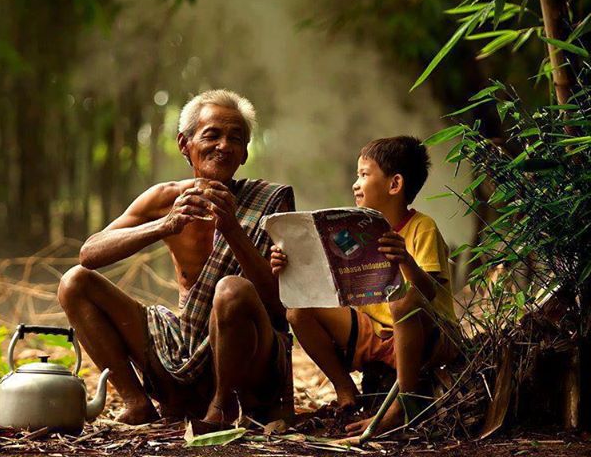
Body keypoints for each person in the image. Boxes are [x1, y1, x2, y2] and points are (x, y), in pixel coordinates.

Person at [58, 89, 295, 429]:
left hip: (250, 357)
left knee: (231, 290)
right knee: (74, 282)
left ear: (244, 153)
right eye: (212, 134)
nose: (224, 146)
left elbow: (280, 304)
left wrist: (232, 229)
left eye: (235, 138)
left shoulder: (270, 203)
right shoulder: (165, 198)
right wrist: (165, 225)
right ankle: (136, 402)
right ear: (185, 145)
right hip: (182, 344)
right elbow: (89, 254)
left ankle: (222, 406)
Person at [270, 136, 459, 436]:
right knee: (298, 312)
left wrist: (406, 260)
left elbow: (429, 294)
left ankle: (402, 407)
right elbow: (327, 287)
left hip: (427, 336)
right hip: (374, 334)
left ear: (394, 184)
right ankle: (346, 392)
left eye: (364, 174)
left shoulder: (422, 227)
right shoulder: (357, 232)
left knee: (403, 300)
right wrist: (289, 264)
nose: (355, 184)